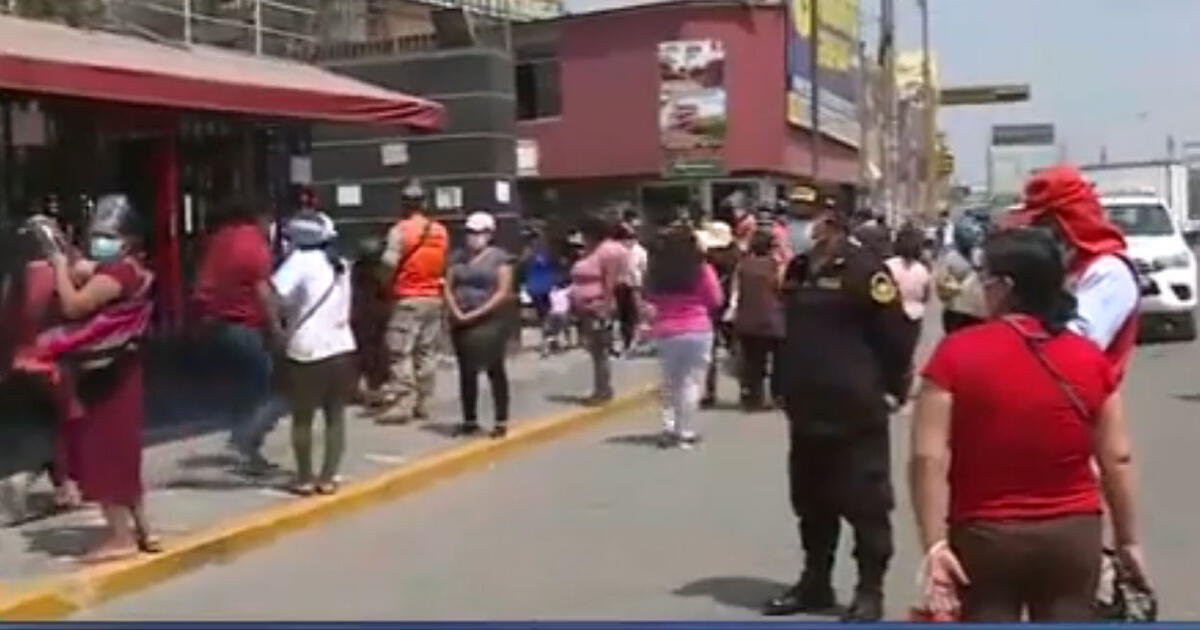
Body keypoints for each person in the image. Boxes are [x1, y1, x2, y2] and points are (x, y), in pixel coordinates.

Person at [910, 228, 1148, 622]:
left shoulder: (956, 354)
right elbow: (1117, 458)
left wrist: (935, 545)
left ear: (1004, 287)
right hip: (1072, 535)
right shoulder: (1088, 358)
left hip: (985, 535)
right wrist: (1128, 541)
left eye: (984, 276)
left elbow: (927, 456)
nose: (978, 286)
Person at [763, 209, 912, 622]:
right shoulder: (797, 268)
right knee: (811, 503)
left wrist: (893, 387)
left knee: (866, 505)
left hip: (855, 407)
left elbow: (896, 333)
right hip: (806, 407)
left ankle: (869, 591)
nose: (794, 228)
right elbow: (787, 333)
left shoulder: (865, 269)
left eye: (804, 219)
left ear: (829, 225)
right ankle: (815, 582)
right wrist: (781, 383)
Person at [44, 195, 158, 562]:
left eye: (107, 235)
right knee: (124, 450)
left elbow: (74, 305)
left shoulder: (118, 275)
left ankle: (120, 537)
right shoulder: (128, 269)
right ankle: (144, 528)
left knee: (104, 451)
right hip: (123, 368)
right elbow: (91, 271)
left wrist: (59, 266)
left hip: (107, 373)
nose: (99, 242)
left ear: (127, 241)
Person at [1008, 165, 1140, 381]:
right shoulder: (1064, 268)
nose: (1034, 234)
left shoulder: (1108, 272)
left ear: (1067, 225)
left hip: (1081, 403)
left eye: (1043, 226)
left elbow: (1077, 345)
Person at [193, 197, 285, 473]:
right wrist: (277, 330)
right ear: (262, 219)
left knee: (241, 389)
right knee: (267, 391)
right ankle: (246, 447)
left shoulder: (221, 239)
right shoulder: (255, 245)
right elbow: (263, 292)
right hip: (242, 326)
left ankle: (239, 440)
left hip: (213, 324)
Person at [272, 212, 356, 496]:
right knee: (335, 417)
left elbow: (277, 298)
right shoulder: (340, 264)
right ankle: (329, 477)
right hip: (342, 347)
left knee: (303, 418)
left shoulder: (297, 263)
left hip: (308, 350)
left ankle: (305, 478)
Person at [644, 224, 723, 449]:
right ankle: (685, 431)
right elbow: (715, 299)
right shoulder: (701, 269)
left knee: (670, 382)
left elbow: (649, 298)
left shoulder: (656, 271)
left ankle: (669, 427)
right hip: (697, 328)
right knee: (691, 382)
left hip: (666, 329)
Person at [379, 180, 450, 423]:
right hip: (433, 297)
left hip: (408, 298)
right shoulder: (440, 231)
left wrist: (384, 283)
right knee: (426, 351)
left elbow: (389, 263)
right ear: (425, 202)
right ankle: (424, 401)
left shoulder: (400, 231)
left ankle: (403, 403)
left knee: (400, 351)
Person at [445, 211, 516, 438]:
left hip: (490, 320)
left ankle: (500, 420)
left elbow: (502, 291)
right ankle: (469, 419)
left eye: (478, 233)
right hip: (462, 319)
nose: (473, 237)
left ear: (489, 234)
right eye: (470, 233)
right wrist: (456, 311)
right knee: (467, 371)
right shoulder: (457, 258)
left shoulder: (499, 258)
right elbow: (447, 285)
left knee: (495, 369)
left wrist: (476, 313)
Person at [570, 214, 627, 404]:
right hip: (583, 307)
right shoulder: (588, 250)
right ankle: (600, 387)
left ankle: (603, 390)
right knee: (592, 349)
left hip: (597, 306)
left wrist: (605, 306)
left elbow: (610, 282)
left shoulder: (608, 251)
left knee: (600, 351)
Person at [733, 229, 785, 411]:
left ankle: (752, 397)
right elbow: (780, 287)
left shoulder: (743, 265)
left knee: (752, 362)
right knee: (779, 360)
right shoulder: (774, 265)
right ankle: (778, 395)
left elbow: (736, 290)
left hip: (746, 319)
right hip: (771, 320)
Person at [696, 220, 738, 408]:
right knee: (715, 352)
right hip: (720, 308)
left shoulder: (714, 262)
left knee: (721, 350)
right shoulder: (730, 259)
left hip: (721, 307)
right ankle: (711, 390)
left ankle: (711, 390)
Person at [349, 236, 392, 409]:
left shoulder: (356, 270)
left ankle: (366, 388)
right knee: (377, 352)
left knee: (363, 352)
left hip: (360, 314)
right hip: (378, 313)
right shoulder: (383, 270)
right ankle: (376, 388)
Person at [885, 223, 933, 376]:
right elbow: (926, 296)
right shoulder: (923, 270)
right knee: (907, 353)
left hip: (890, 314)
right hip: (913, 317)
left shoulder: (888, 266)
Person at [935, 214, 988, 335]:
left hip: (956, 309)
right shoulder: (983, 256)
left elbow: (941, 287)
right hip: (980, 311)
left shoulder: (950, 257)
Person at [614, 221, 648, 355]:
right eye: (625, 237)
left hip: (635, 286)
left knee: (634, 313)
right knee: (622, 316)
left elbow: (644, 269)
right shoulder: (617, 250)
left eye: (630, 237)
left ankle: (633, 341)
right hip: (619, 285)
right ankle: (626, 340)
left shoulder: (640, 251)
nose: (627, 240)